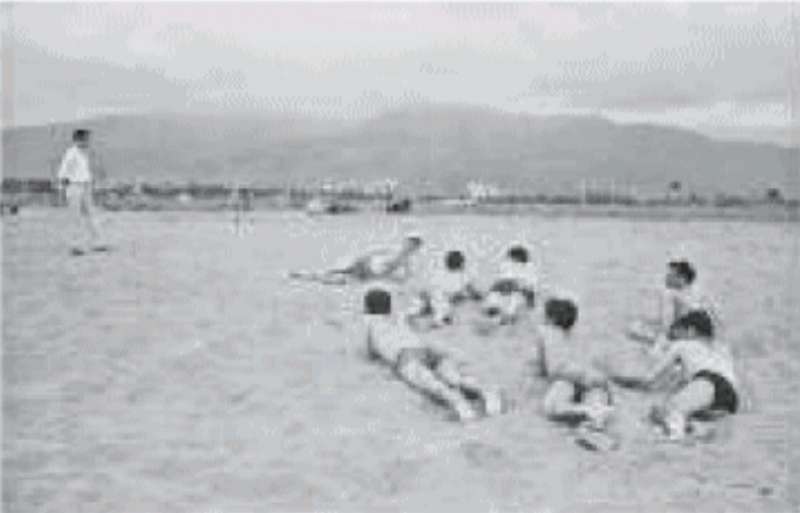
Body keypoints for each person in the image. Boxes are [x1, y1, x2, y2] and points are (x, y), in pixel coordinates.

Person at [363, 287, 505, 421]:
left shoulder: (372, 324)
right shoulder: (399, 316)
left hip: (405, 356)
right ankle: (486, 392)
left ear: (367, 309)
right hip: (425, 349)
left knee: (432, 384)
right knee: (455, 378)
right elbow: (414, 309)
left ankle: (460, 404)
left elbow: (373, 352)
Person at [637, 310, 740, 441]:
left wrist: (616, 379)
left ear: (690, 331)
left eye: (677, 334)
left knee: (671, 409)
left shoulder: (682, 345)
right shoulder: (722, 348)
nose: (674, 339)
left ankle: (677, 435)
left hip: (709, 382)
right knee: (674, 412)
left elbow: (648, 379)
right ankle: (694, 430)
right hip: (730, 399)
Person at [536, 296, 614, 434]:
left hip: (566, 377)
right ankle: (596, 417)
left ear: (551, 319)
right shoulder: (572, 334)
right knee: (596, 396)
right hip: (588, 374)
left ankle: (587, 411)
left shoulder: (547, 332)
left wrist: (541, 374)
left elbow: (550, 369)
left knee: (551, 407)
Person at [628, 258, 721, 345]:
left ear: (681, 278)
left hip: (685, 333)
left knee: (635, 328)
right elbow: (716, 319)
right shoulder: (701, 293)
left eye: (670, 275)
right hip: (705, 333)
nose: (666, 278)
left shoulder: (670, 294)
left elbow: (667, 325)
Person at [288, 234, 423, 285]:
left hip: (370, 273)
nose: (410, 247)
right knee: (337, 272)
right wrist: (361, 258)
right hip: (366, 266)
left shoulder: (405, 259)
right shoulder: (396, 250)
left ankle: (303, 275)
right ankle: (303, 275)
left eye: (413, 246)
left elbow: (405, 277)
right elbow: (374, 251)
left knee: (339, 278)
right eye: (410, 243)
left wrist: (388, 278)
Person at [56, 128, 106, 255]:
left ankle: (97, 243)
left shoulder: (84, 154)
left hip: (85, 186)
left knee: (91, 214)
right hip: (74, 186)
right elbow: (63, 172)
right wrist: (64, 190)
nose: (88, 141)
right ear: (79, 139)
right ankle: (75, 245)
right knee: (75, 217)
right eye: (86, 139)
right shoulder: (71, 153)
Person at [406, 249, 482, 328]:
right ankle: (436, 320)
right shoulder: (463, 277)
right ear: (461, 264)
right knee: (443, 310)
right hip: (442, 300)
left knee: (423, 302)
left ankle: (414, 312)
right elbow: (472, 292)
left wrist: (424, 296)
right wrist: (477, 296)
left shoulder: (439, 273)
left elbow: (428, 288)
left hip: (432, 296)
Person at [481, 244, 539, 324]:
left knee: (511, 305)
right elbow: (498, 284)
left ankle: (502, 316)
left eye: (513, 260)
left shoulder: (527, 272)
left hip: (514, 296)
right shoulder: (508, 269)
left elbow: (529, 291)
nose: (512, 263)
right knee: (496, 303)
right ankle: (497, 314)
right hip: (504, 294)